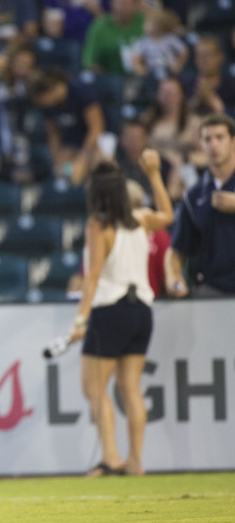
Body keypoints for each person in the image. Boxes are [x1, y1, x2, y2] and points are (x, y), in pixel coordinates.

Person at [68, 152, 173, 477]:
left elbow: (94, 277)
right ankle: (136, 463)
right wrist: (154, 175)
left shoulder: (99, 226)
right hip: (142, 310)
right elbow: (168, 214)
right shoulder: (140, 218)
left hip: (110, 310)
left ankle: (111, 458)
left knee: (94, 389)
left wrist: (80, 320)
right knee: (130, 388)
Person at [165, 114, 235, 298]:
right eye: (207, 139)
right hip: (213, 289)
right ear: (201, 145)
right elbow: (177, 249)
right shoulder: (194, 194)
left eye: (219, 137)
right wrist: (173, 276)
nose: (213, 145)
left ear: (233, 141)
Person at [28, 67, 105, 184]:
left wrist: (82, 159)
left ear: (48, 91)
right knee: (63, 173)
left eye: (40, 99)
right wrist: (57, 162)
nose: (40, 104)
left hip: (99, 139)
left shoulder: (81, 90)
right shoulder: (48, 107)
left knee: (88, 169)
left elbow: (96, 129)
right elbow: (53, 135)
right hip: (73, 141)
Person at [81, 0, 144, 75]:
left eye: (126, 2)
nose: (122, 6)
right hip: (109, 81)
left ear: (135, 4)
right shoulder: (99, 26)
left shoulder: (145, 22)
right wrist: (109, 82)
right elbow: (90, 62)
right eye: (119, 1)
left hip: (141, 77)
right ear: (111, 3)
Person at [185, 35, 235, 118]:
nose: (204, 60)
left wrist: (212, 99)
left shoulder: (232, 84)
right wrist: (198, 99)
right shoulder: (186, 85)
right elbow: (178, 117)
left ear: (221, 57)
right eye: (200, 56)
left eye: (209, 55)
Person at [132, 9, 187, 79]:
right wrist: (139, 68)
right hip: (151, 72)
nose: (145, 25)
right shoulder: (144, 41)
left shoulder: (169, 39)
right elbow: (136, 57)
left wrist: (178, 63)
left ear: (158, 25)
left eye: (148, 23)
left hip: (169, 69)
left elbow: (184, 51)